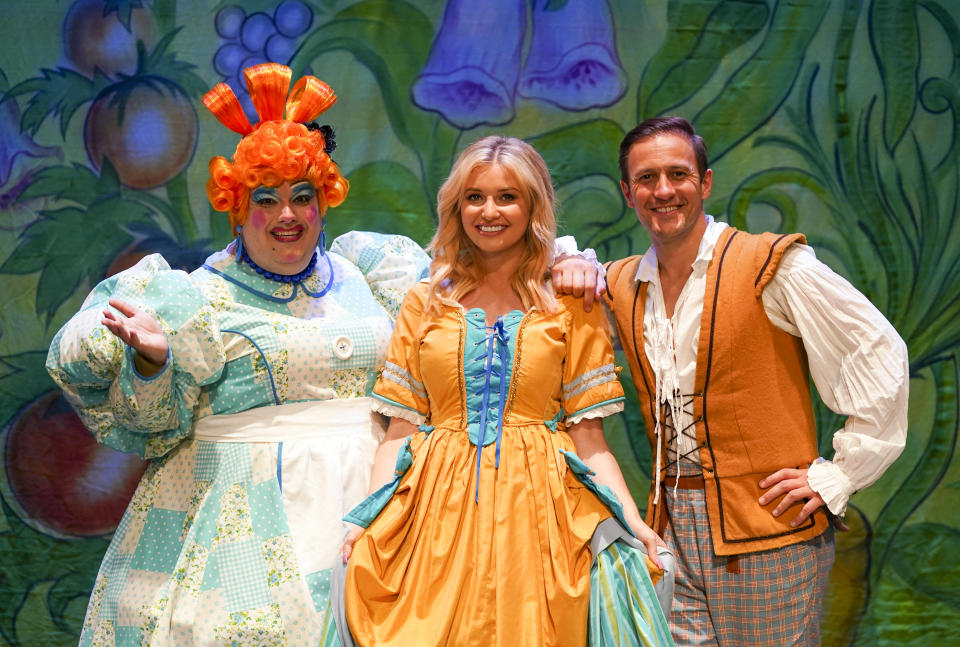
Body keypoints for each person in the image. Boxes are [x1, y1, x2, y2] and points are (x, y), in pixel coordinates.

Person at [46, 63, 433, 646]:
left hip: (373, 497)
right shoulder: (195, 296)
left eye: (303, 197)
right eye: (266, 198)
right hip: (248, 514)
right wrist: (153, 362)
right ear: (235, 204)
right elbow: (150, 423)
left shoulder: (366, 274)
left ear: (324, 201)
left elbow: (468, 301)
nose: (287, 215)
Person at [566, 116, 909, 646]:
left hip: (769, 526)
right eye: (647, 178)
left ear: (704, 183)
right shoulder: (620, 283)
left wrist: (837, 476)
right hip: (670, 525)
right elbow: (535, 284)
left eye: (678, 175)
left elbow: (875, 348)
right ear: (628, 193)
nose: (663, 190)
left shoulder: (769, 264)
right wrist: (567, 260)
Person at [334, 136, 676, 646]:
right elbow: (399, 431)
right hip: (435, 513)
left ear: (532, 205)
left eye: (506, 197)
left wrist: (633, 523)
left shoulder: (571, 301)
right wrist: (365, 518)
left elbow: (590, 439)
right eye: (474, 197)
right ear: (456, 206)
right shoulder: (424, 303)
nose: (488, 211)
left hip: (541, 515)